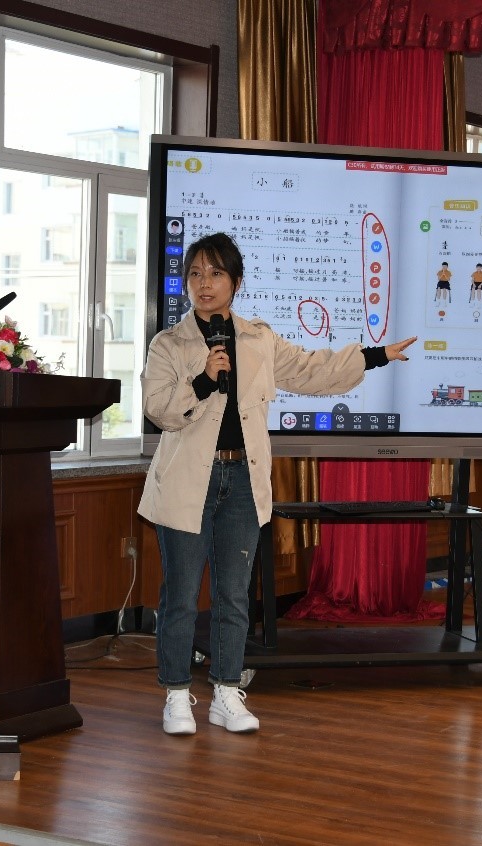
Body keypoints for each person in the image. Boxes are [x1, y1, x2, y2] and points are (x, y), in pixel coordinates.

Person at [138, 232, 417, 736]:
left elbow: (312, 370)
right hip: (186, 482)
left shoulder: (258, 339)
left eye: (215, 273)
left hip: (243, 479)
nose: (204, 284)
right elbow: (159, 410)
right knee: (180, 595)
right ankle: (176, 695)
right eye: (195, 274)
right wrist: (203, 379)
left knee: (233, 595)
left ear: (235, 282)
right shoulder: (169, 344)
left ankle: (226, 692)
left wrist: (374, 356)